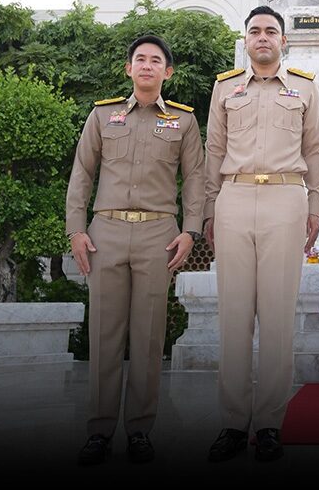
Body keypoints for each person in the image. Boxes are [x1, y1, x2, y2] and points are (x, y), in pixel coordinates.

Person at [67, 34, 205, 466]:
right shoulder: (103, 116)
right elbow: (82, 175)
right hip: (105, 233)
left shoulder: (183, 122)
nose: (147, 66)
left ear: (168, 72)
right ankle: (100, 429)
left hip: (157, 235)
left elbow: (196, 181)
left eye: (156, 60)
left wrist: (190, 231)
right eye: (139, 59)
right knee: (105, 335)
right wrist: (76, 230)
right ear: (129, 69)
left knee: (147, 339)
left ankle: (140, 429)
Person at [203, 5, 319, 463]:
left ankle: (270, 423)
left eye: (271, 31)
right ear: (246, 39)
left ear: (283, 40)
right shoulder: (224, 88)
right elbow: (213, 149)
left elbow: (315, 150)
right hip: (233, 198)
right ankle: (234, 423)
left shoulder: (305, 89)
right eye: (255, 31)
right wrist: (209, 211)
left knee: (276, 316)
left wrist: (315, 208)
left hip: (285, 199)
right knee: (234, 315)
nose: (262, 37)